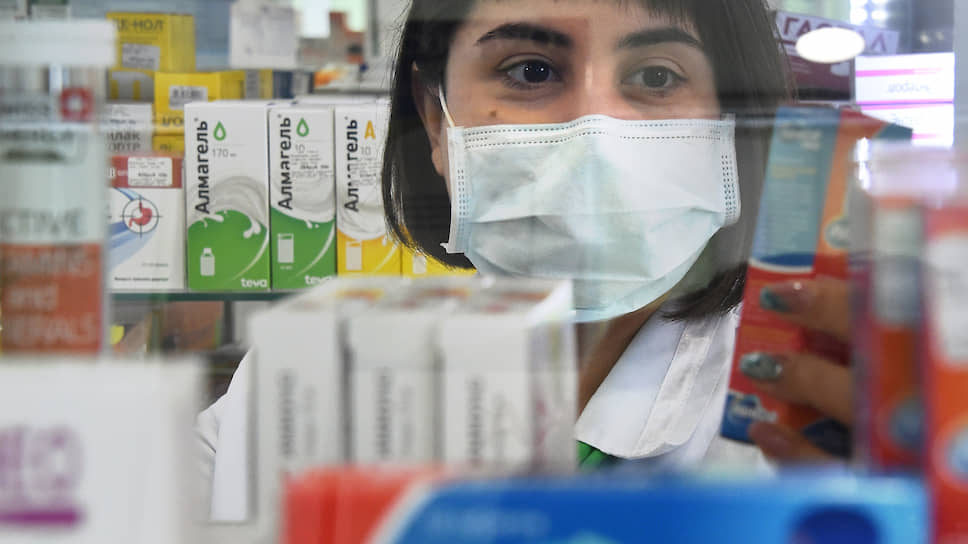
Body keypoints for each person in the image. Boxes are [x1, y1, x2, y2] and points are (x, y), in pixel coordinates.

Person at [199, 0, 855, 520]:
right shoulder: (309, 382)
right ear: (436, 120)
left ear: (732, 124)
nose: (596, 136)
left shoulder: (815, 399)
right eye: (531, 71)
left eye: (656, 77)